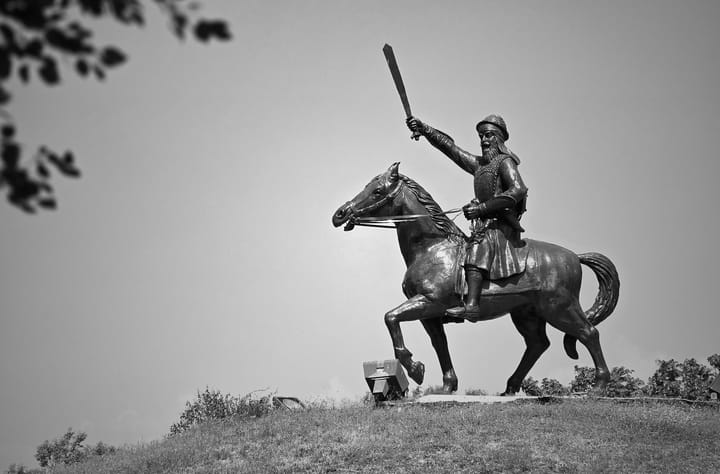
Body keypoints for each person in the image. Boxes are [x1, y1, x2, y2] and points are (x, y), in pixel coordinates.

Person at [406, 114, 529, 319]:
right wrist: (424, 128)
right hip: (484, 225)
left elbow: (518, 190)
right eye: (481, 136)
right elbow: (451, 149)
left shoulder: (505, 162)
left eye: (488, 135)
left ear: (498, 138)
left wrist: (481, 209)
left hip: (499, 227)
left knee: (477, 248)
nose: (484, 140)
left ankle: (472, 306)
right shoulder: (479, 165)